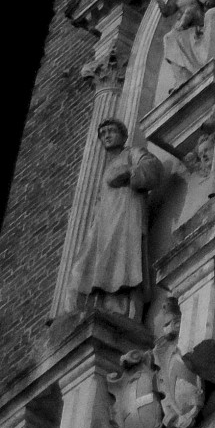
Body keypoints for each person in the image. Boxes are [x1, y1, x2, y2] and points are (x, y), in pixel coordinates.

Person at [70, 119, 161, 324]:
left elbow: (153, 166)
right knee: (81, 268)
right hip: (104, 223)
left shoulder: (132, 153)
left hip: (126, 219)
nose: (107, 136)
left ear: (123, 135)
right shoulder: (106, 167)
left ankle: (121, 307)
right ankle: (84, 306)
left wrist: (130, 172)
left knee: (125, 263)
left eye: (111, 131)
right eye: (103, 133)